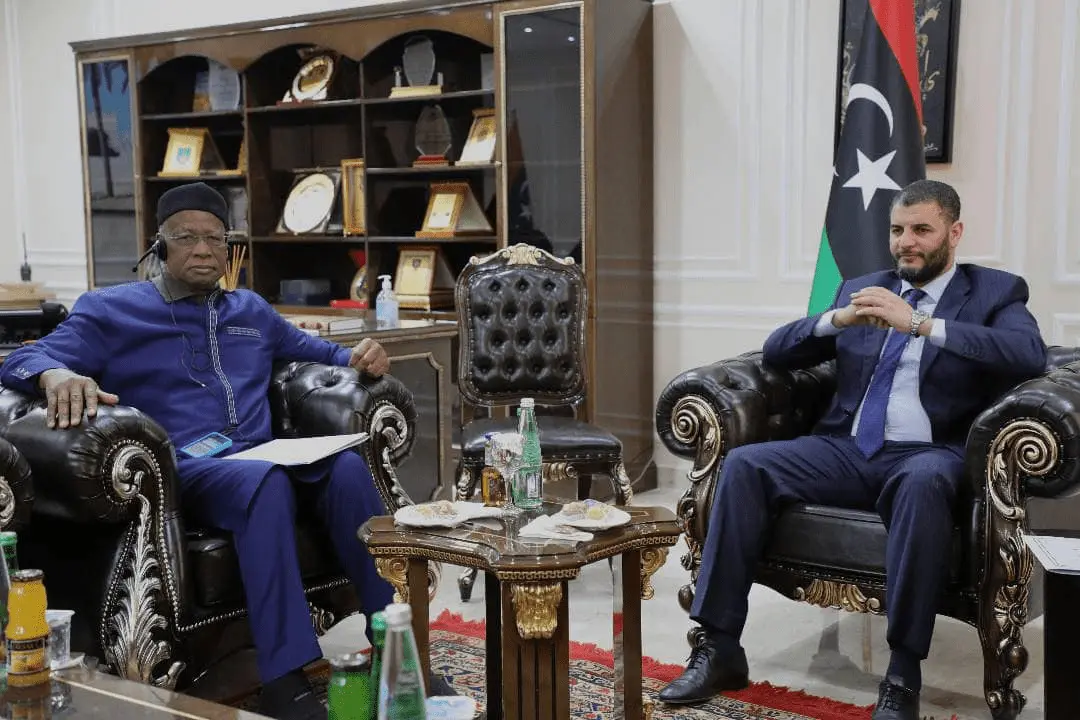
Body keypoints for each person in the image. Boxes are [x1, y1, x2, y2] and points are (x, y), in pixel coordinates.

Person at [0, 182, 430, 720]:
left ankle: (397, 648)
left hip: (262, 454)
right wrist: (55, 374)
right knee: (264, 483)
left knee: (345, 467)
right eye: (187, 238)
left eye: (215, 239)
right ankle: (284, 678)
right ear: (160, 246)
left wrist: (363, 356)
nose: (204, 250)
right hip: (185, 469)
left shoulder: (251, 310)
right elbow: (20, 359)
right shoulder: (111, 310)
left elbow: (326, 353)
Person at [657, 180, 1047, 720]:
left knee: (923, 483)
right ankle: (719, 647)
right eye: (897, 230)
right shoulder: (862, 288)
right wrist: (837, 319)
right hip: (845, 448)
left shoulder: (993, 292)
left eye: (922, 230)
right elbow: (778, 351)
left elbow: (1028, 354)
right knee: (745, 465)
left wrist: (919, 324)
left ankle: (902, 676)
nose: (906, 242)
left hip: (928, 453)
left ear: (954, 233)